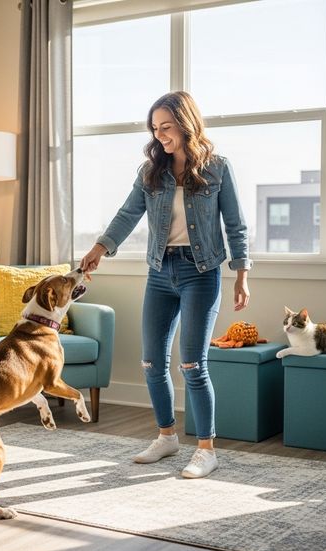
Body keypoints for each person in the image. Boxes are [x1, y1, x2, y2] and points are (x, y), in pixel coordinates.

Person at [80, 91, 251, 479]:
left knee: (192, 364)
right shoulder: (150, 172)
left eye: (166, 127)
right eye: (155, 129)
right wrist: (100, 248)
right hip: (160, 273)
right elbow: (128, 214)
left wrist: (242, 274)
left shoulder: (217, 169)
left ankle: (206, 449)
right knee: (152, 362)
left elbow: (235, 226)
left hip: (200, 273)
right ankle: (166, 436)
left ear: (186, 123)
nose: (160, 136)